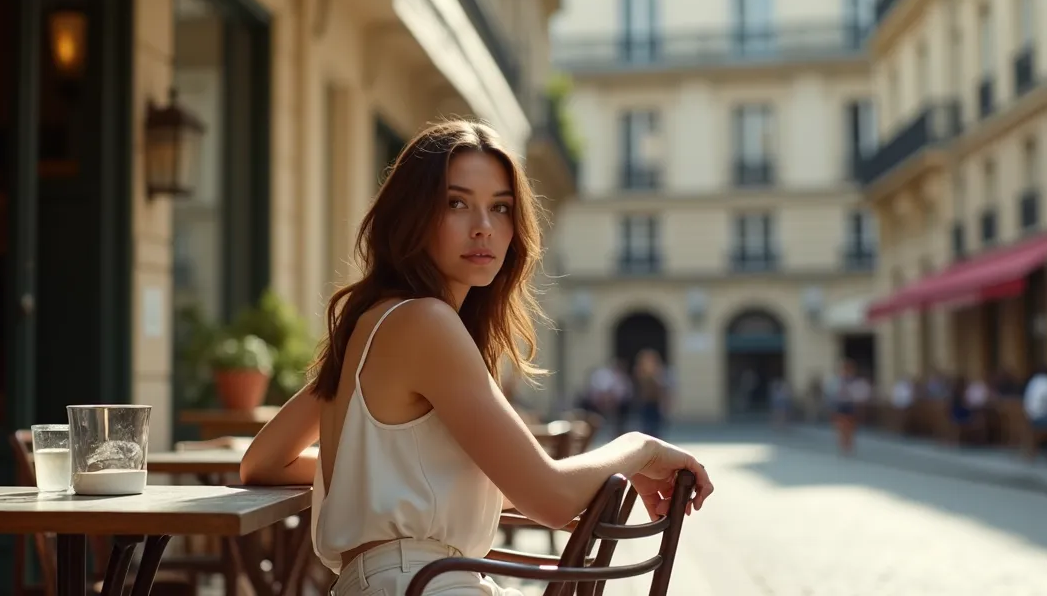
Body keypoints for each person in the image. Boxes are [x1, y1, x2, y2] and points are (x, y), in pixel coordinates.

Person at [237, 120, 714, 596]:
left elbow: (263, 462)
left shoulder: (374, 322)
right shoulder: (426, 324)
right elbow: (551, 498)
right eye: (456, 203)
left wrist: (375, 478)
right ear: (413, 216)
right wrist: (640, 449)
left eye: (500, 208)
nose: (483, 227)